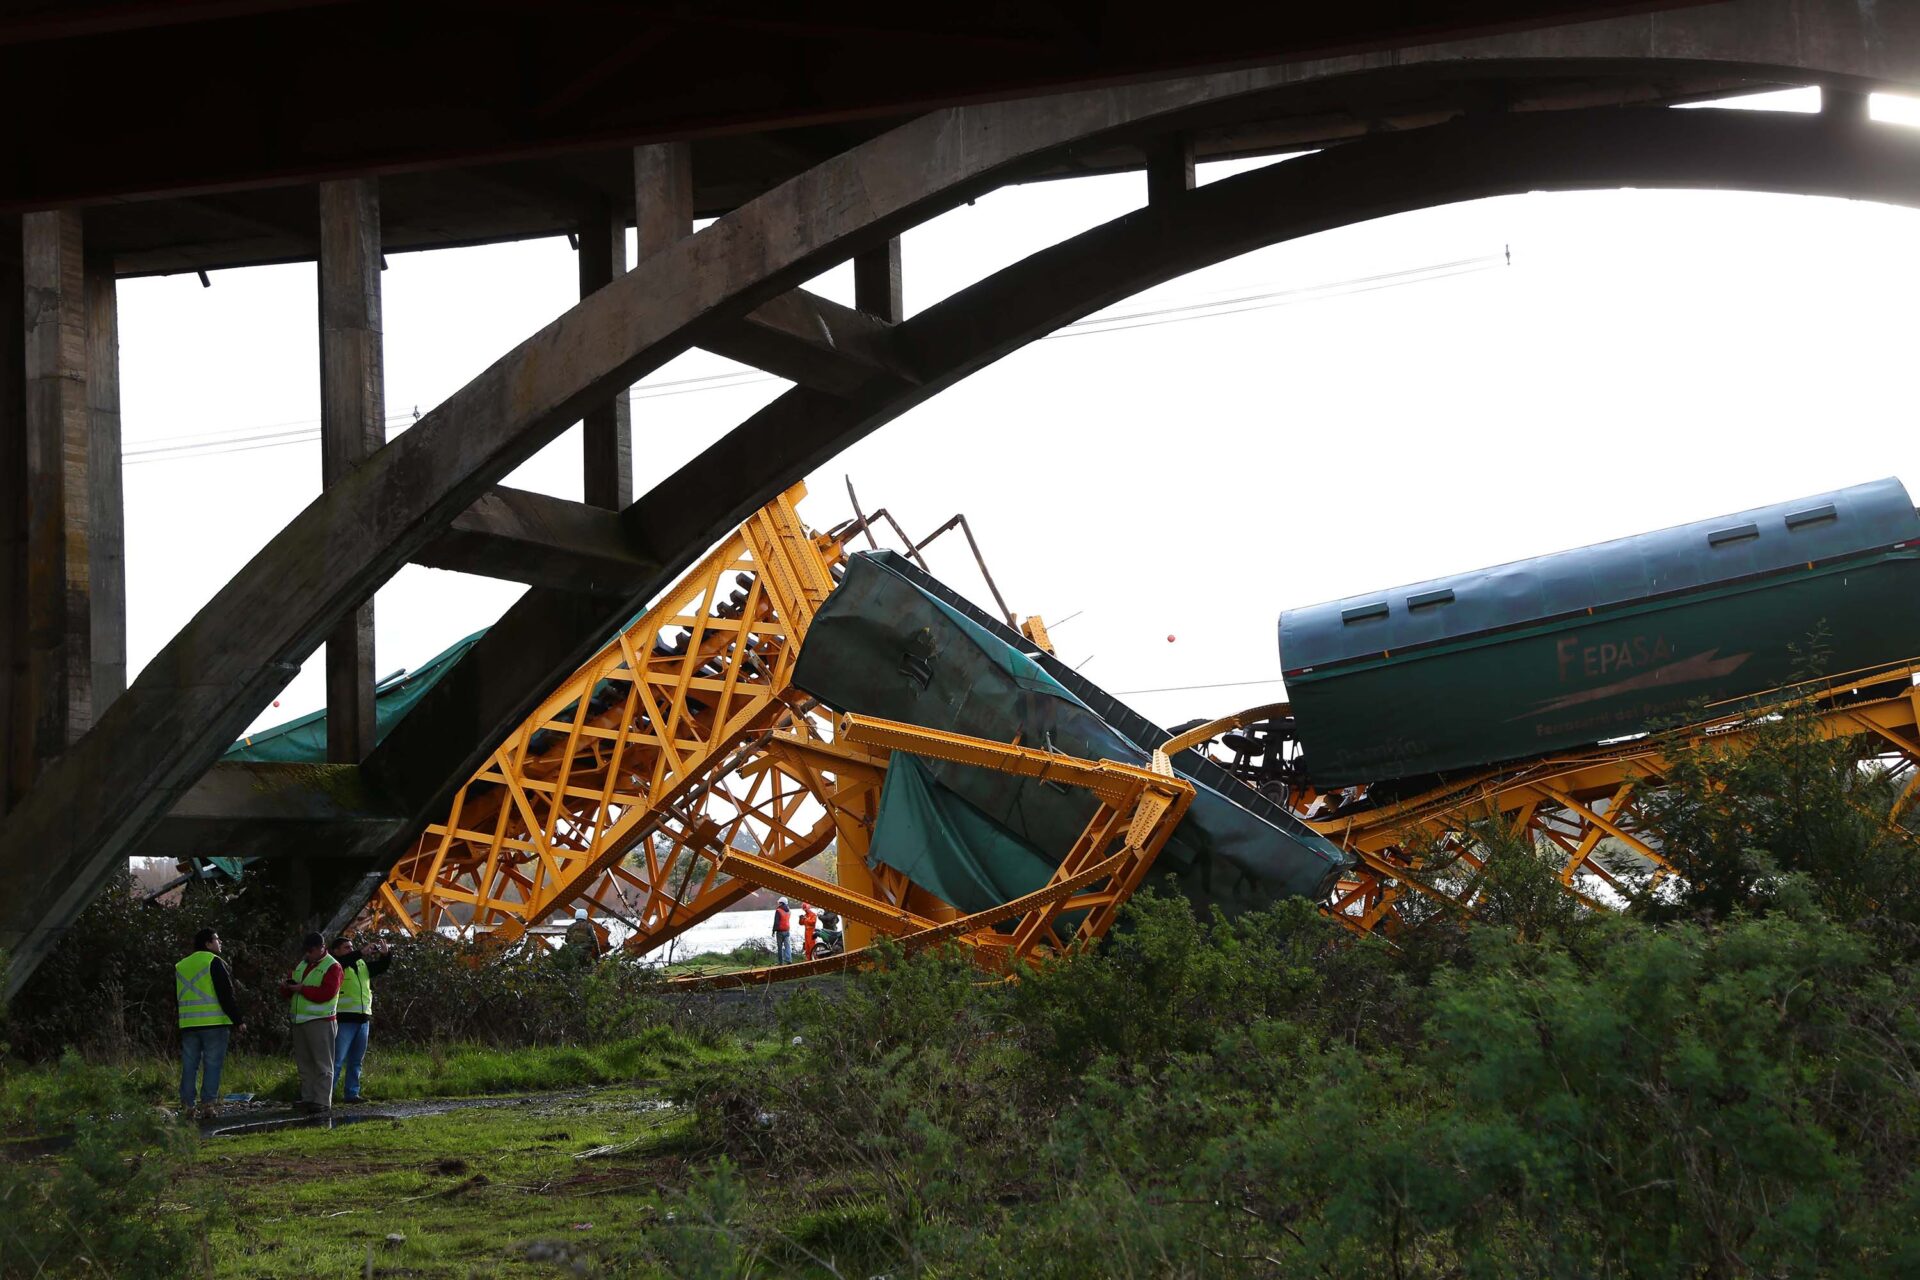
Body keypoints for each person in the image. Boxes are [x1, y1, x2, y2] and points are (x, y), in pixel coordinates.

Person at [175, 927, 242, 1121]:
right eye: (217, 939)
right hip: (214, 1023)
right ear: (207, 943)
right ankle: (208, 1105)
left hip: (188, 1023)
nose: (219, 943)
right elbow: (226, 994)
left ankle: (187, 1106)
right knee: (212, 1065)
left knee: (189, 1065)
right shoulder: (214, 962)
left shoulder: (181, 965)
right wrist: (238, 1020)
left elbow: (177, 996)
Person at [277, 931, 342, 1113]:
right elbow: (292, 991)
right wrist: (286, 988)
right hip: (300, 1020)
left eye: (311, 950)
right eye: (306, 951)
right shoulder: (303, 964)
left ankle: (322, 1100)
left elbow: (326, 993)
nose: (308, 954)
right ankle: (308, 1097)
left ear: (322, 948)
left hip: (321, 1021)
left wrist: (301, 989)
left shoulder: (333, 967)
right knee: (304, 1063)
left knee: (322, 1063)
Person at [328, 934, 392, 1105]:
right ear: (336, 951)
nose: (351, 949)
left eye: (351, 946)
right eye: (346, 947)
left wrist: (386, 955)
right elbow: (345, 961)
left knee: (356, 1060)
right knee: (337, 1060)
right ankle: (327, 1095)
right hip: (344, 1019)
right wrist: (360, 952)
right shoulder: (335, 965)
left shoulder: (360, 963)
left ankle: (352, 1094)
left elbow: (380, 967)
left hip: (363, 1019)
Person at [772, 896, 792, 964]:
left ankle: (780, 962)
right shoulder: (789, 910)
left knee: (780, 947)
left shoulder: (778, 911)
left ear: (781, 903)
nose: (778, 904)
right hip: (787, 930)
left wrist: (773, 931)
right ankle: (788, 960)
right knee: (787, 946)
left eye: (779, 903)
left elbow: (776, 922)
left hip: (780, 931)